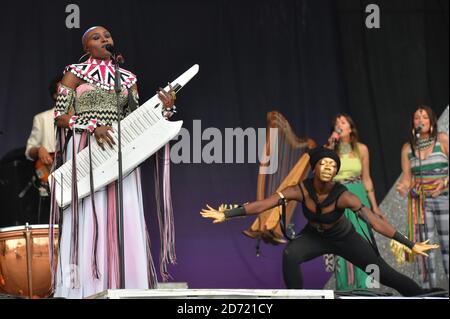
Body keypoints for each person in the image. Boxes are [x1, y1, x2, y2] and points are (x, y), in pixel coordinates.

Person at [201, 147, 439, 296]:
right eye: (323, 163)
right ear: (315, 168)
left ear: (335, 172)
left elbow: (375, 223)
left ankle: (422, 296)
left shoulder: (345, 196)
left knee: (385, 274)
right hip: (315, 237)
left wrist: (410, 244)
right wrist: (227, 214)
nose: (328, 167)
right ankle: (296, 297)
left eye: (333, 165)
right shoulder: (299, 190)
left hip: (344, 239)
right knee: (290, 254)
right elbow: (264, 204)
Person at [51, 26, 176, 298]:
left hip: (120, 152)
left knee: (125, 210)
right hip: (86, 149)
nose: (104, 39)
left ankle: (126, 286)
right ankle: (85, 287)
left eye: (107, 35)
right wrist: (92, 125)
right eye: (96, 37)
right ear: (87, 48)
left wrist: (165, 108)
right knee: (88, 214)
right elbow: (59, 117)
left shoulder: (128, 78)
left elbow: (138, 120)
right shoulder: (74, 72)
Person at [324, 114, 384, 290]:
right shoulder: (330, 149)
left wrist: (375, 206)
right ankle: (345, 287)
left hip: (358, 194)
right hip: (338, 196)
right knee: (341, 239)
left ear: (350, 128)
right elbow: (320, 170)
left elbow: (367, 179)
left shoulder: (361, 149)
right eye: (336, 123)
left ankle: (366, 288)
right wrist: (329, 144)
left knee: (362, 239)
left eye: (342, 122)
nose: (338, 125)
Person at [396, 106, 448, 288]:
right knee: (424, 249)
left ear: (431, 121)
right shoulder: (407, 148)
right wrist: (403, 187)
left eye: (424, 117)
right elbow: (408, 178)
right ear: (413, 124)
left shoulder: (442, 140)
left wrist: (445, 182)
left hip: (444, 199)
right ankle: (428, 291)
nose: (420, 121)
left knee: (448, 246)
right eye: (417, 118)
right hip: (420, 204)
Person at [25, 75, 63, 222]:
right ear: (55, 95)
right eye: (62, 88)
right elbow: (29, 150)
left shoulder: (81, 118)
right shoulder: (42, 118)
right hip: (50, 175)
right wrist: (40, 149)